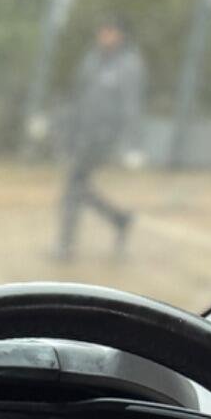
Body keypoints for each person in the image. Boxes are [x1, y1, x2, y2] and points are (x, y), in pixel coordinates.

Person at [53, 16, 146, 261]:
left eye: (109, 31)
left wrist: (132, 145)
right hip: (82, 135)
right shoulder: (91, 60)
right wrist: (67, 129)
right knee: (79, 188)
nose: (103, 36)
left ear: (120, 35)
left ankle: (66, 246)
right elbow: (78, 97)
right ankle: (119, 219)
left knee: (73, 186)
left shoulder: (129, 65)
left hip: (104, 139)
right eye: (102, 31)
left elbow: (131, 106)